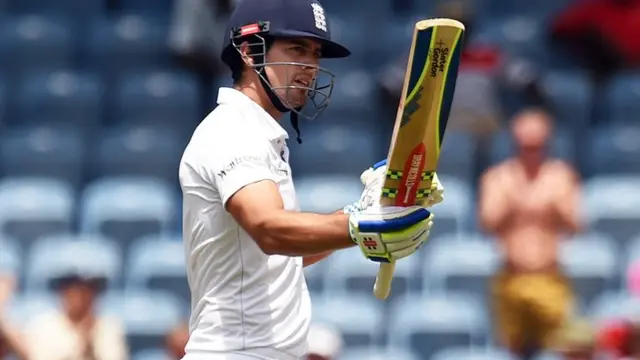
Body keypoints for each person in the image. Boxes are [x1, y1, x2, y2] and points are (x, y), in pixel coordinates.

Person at [178, 0, 443, 359]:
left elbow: (282, 256)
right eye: (297, 49)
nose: (310, 67)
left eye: (316, 54)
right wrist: (358, 225)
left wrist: (360, 212)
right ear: (249, 51)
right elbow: (269, 229)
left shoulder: (262, 136)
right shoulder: (232, 131)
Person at [478, 108, 582, 360]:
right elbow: (487, 222)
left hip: (550, 276)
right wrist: (515, 199)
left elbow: (575, 223)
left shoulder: (560, 176)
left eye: (537, 146)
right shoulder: (499, 177)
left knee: (561, 349)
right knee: (510, 350)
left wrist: (549, 202)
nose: (531, 152)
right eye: (525, 146)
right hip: (511, 275)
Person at [23, 269, 128, 360]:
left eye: (86, 291)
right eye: (74, 290)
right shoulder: (43, 325)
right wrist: (79, 345)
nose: (80, 297)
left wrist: (89, 343)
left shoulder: (109, 326)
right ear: (63, 292)